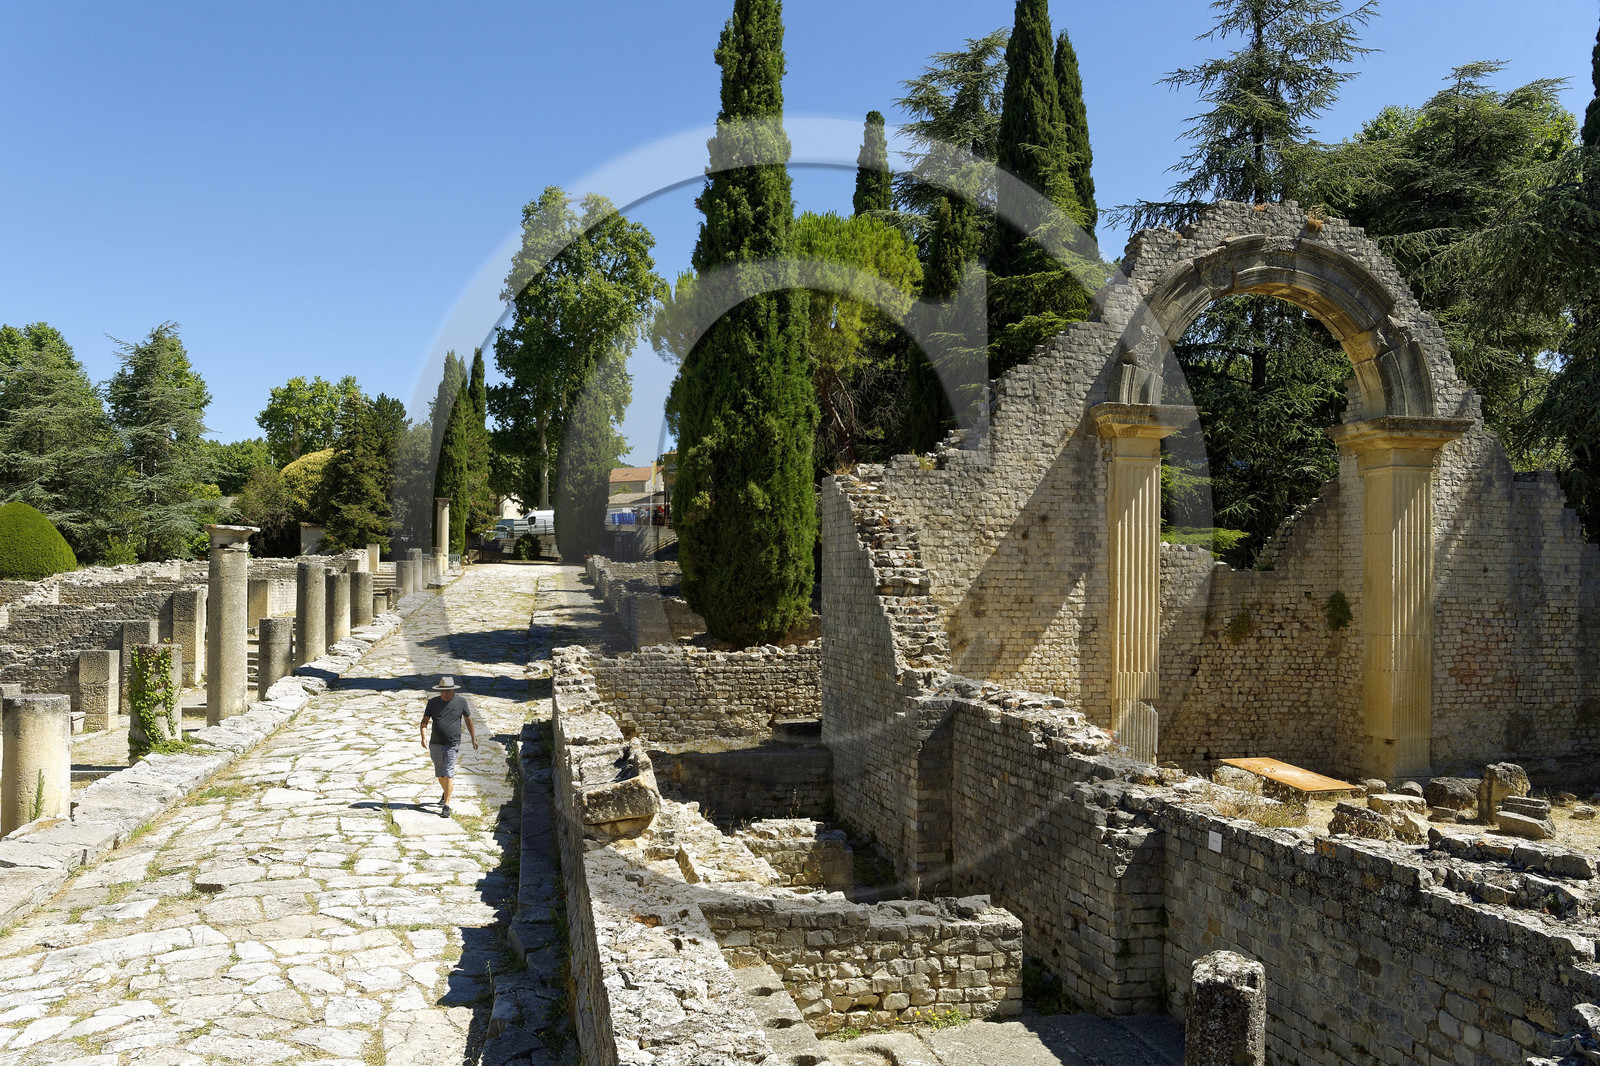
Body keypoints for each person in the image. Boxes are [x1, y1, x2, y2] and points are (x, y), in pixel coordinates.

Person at [419, 675, 477, 817]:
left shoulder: (461, 702)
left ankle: (446, 805)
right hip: (435, 744)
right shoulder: (432, 703)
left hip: (452, 744)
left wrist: (473, 738)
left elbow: (468, 720)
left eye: (449, 691)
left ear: (453, 690)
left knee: (448, 773)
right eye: (444, 691)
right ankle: (446, 791)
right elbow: (424, 722)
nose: (446, 693)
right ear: (440, 691)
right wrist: (424, 737)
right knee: (440, 773)